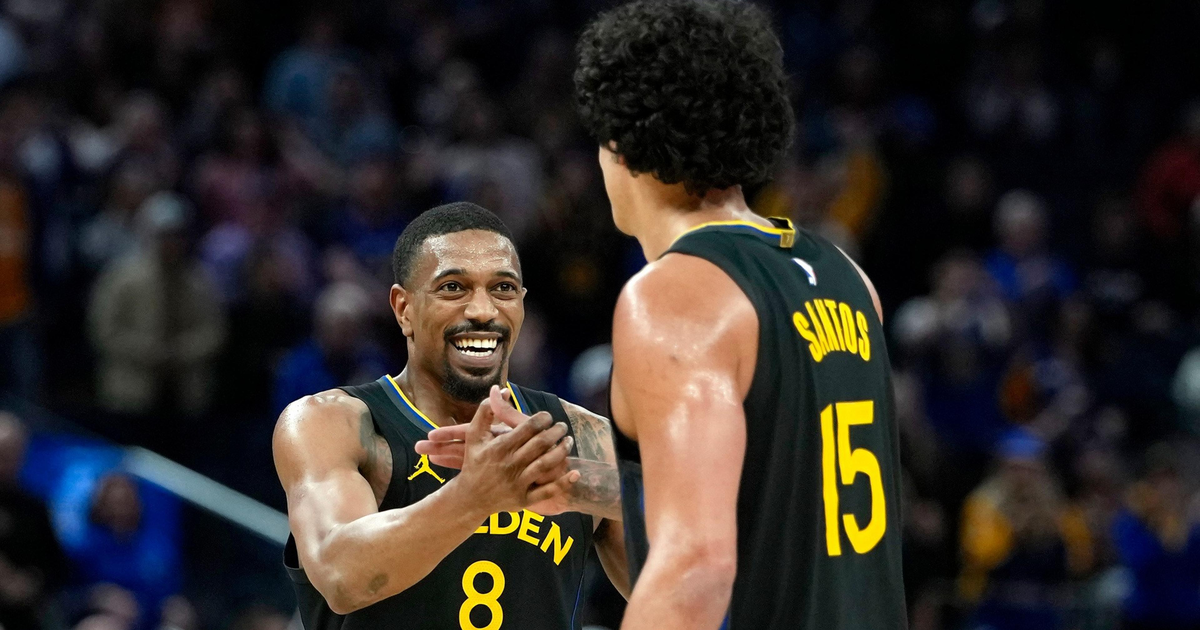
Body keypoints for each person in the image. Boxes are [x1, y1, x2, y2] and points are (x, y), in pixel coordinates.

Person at [570, 1, 907, 627]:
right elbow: (782, 506)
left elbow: (696, 568)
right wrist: (577, 482)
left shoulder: (675, 296)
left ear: (623, 142)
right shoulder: (846, 277)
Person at [273, 202, 627, 628]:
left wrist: (580, 484)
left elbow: (680, 588)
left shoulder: (582, 437)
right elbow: (340, 576)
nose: (483, 310)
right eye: (453, 288)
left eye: (503, 288)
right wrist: (475, 496)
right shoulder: (330, 423)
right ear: (403, 308)